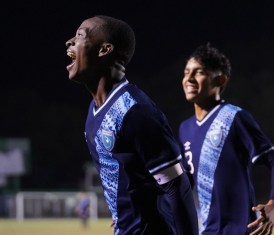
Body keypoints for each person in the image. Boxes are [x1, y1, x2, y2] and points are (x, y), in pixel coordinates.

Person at [65, 15, 198, 235]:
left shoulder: (135, 111)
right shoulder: (95, 109)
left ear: (104, 50)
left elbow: (178, 186)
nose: (69, 41)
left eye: (79, 35)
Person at [178, 43, 274, 235]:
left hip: (240, 230)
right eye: (186, 72)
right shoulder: (185, 128)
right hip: (206, 231)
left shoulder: (234, 117)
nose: (189, 78)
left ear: (220, 80)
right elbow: (182, 185)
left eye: (199, 72)